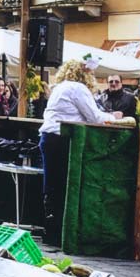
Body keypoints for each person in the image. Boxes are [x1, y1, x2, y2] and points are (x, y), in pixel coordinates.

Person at [38, 59, 121, 247]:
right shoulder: (78, 88)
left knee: (52, 186)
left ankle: (50, 230)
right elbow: (95, 117)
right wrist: (114, 117)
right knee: (64, 187)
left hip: (49, 137)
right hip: (62, 139)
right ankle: (59, 232)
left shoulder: (60, 87)